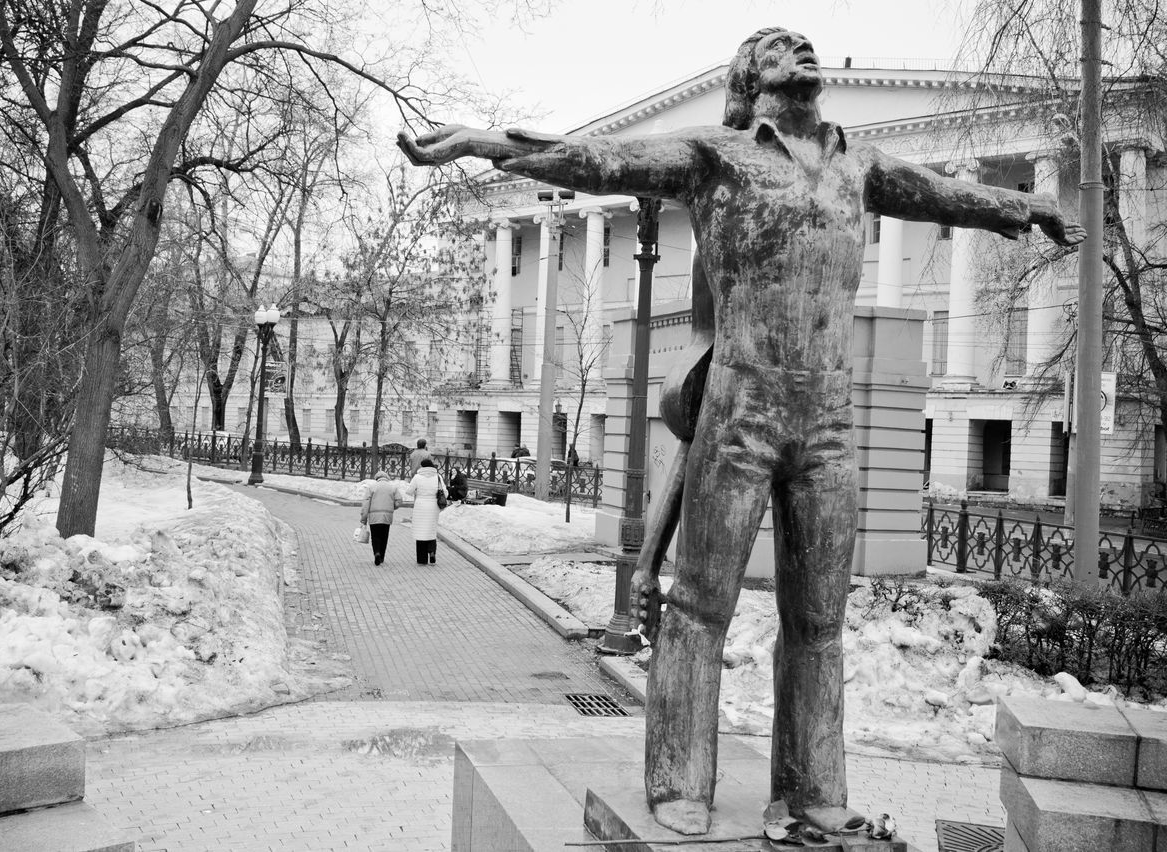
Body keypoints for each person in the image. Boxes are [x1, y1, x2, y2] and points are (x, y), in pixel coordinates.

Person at [399, 26, 1085, 837]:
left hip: (829, 421)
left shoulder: (857, 165)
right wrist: (493, 145)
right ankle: (679, 778)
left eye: (806, 46)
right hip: (739, 410)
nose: (802, 53)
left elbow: (943, 193)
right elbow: (600, 160)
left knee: (820, 621)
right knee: (701, 605)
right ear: (750, 78)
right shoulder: (717, 156)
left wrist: (1027, 205)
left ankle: (813, 788)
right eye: (780, 48)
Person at [360, 470, 405, 566]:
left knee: (375, 536)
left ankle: (376, 553)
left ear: (377, 478)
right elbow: (399, 500)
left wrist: (363, 519)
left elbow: (365, 504)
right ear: (387, 477)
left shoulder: (371, 487)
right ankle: (382, 557)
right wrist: (393, 507)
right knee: (384, 536)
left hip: (374, 517)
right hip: (387, 516)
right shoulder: (392, 487)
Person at [407, 457, 446, 564]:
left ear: (422, 466)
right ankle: (432, 552)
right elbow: (445, 493)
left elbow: (409, 491)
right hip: (433, 506)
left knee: (420, 532)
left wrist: (417, 491)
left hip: (420, 506)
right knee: (431, 530)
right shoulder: (438, 477)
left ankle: (422, 559)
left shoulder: (417, 477)